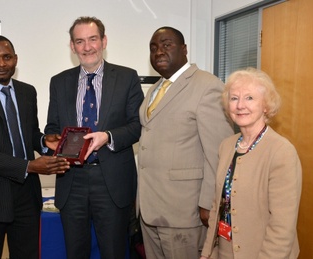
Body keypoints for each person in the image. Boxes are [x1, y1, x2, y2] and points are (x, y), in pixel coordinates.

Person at [0, 35, 70, 259]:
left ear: (16, 59)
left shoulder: (28, 92)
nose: (1, 64)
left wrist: (44, 142)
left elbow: (30, 134)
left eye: (7, 57)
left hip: (27, 196)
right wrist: (29, 166)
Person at [44, 16, 144, 259]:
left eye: (92, 39)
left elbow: (138, 125)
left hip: (111, 181)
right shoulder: (59, 82)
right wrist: (52, 140)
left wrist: (108, 137)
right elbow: (52, 126)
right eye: (80, 41)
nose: (87, 47)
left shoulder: (127, 77)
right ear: (72, 46)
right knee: (75, 252)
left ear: (104, 41)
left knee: (114, 252)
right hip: (71, 180)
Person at [137, 26, 234, 258]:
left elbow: (218, 153)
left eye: (167, 45)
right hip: (151, 208)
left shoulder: (207, 86)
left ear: (184, 49)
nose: (159, 51)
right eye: (153, 48)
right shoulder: (155, 90)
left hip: (184, 211)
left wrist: (208, 203)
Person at [200, 68, 302, 259]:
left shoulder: (281, 152)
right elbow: (217, 207)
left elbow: (282, 226)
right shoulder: (227, 146)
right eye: (234, 98)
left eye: (249, 98)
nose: (240, 105)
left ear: (266, 105)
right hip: (223, 250)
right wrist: (207, 253)